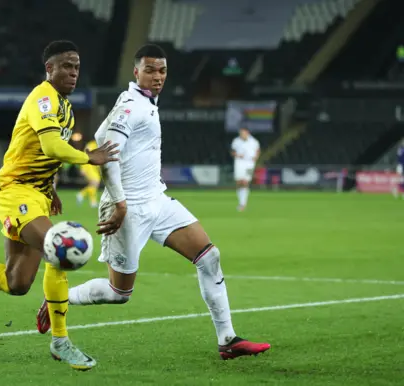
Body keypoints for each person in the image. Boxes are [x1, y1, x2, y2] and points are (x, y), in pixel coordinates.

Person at [36, 44, 271, 361]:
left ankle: (227, 339)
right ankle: (57, 298)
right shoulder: (133, 106)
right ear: (136, 72)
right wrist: (119, 203)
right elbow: (107, 157)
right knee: (119, 294)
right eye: (150, 70)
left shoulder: (141, 103)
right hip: (129, 207)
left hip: (156, 200)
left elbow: (103, 132)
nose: (157, 76)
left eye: (162, 70)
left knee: (209, 256)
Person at [0, 40, 119, 371]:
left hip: (35, 195)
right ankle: (60, 341)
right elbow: (51, 145)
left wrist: (50, 188)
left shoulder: (65, 107)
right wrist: (89, 157)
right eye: (66, 66)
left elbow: (43, 156)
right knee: (58, 248)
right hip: (14, 191)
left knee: (18, 283)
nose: (73, 72)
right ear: (49, 69)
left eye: (77, 66)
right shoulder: (43, 98)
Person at [231, 128, 260, 211]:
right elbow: (233, 151)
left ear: (247, 133)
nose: (241, 134)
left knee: (245, 181)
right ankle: (241, 201)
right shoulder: (236, 141)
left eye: (243, 133)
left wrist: (256, 157)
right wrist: (237, 155)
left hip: (250, 164)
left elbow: (258, 150)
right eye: (240, 133)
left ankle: (243, 204)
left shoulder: (254, 141)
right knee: (239, 182)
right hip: (239, 163)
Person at [76, 139, 101, 208]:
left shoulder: (98, 145)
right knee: (95, 182)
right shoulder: (91, 145)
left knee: (93, 184)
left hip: (93, 167)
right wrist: (83, 168)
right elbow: (85, 156)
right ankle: (90, 199)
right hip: (88, 166)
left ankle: (82, 195)